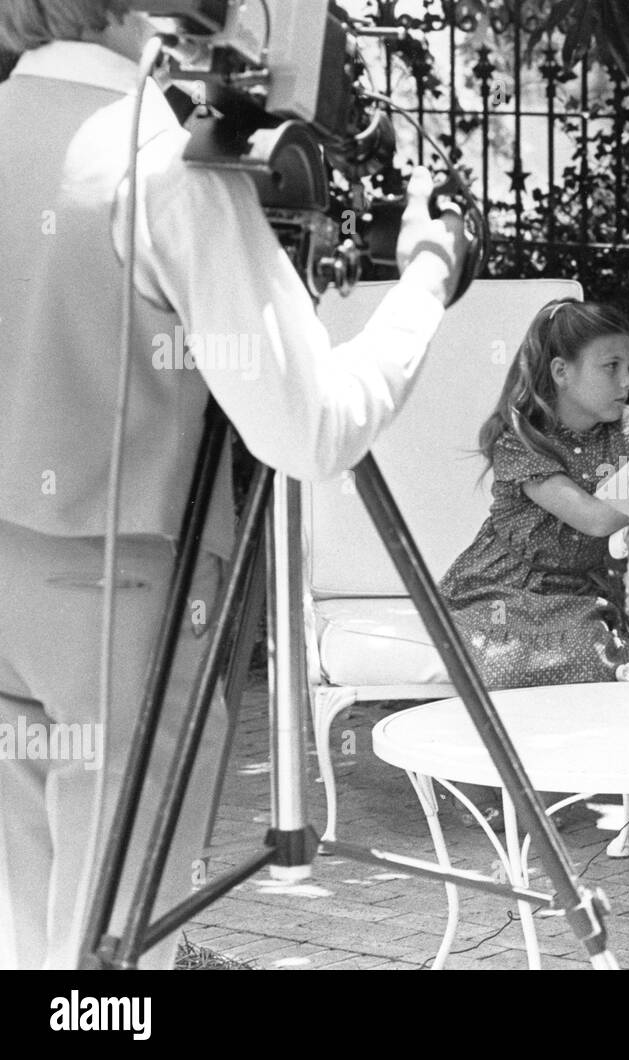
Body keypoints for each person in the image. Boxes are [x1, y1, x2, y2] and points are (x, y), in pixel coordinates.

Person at [0, 1, 468, 969]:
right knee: (106, 968)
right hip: (121, 609)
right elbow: (313, 424)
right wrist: (427, 274)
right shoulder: (156, 165)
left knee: (38, 945)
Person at [438, 298, 629, 826]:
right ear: (562, 373)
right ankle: (492, 780)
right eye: (611, 367)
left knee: (590, 662)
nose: (628, 381)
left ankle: (544, 782)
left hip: (576, 588)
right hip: (498, 583)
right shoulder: (521, 437)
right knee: (494, 659)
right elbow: (591, 517)